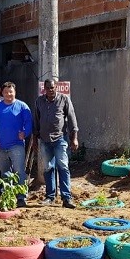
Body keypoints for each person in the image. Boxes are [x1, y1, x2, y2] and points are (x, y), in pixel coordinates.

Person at [32, 79, 79, 208]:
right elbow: (36, 120)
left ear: (56, 87)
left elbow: (71, 118)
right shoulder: (39, 101)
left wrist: (74, 138)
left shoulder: (64, 99)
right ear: (44, 89)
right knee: (48, 168)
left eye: (52, 88)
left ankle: (66, 198)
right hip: (44, 140)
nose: (50, 90)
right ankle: (50, 196)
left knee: (63, 166)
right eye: (48, 88)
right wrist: (35, 140)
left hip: (60, 139)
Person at [0, 82, 33, 207]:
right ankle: (7, 195)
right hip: (0, 146)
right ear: (2, 93)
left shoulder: (22, 106)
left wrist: (25, 133)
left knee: (19, 171)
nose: (9, 94)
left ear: (15, 92)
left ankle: (21, 197)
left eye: (11, 92)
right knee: (5, 173)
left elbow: (28, 122)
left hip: (16, 145)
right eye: (6, 92)